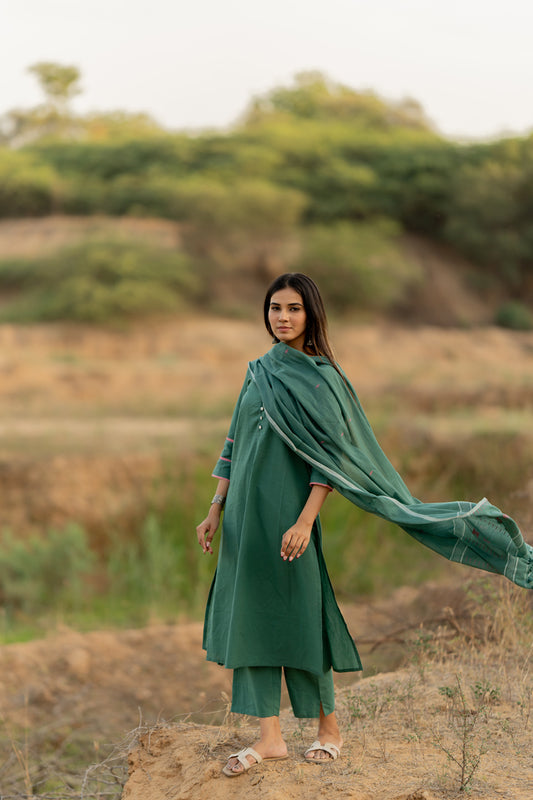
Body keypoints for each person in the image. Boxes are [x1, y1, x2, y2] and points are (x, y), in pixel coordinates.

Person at [196, 273, 532, 778]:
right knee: (251, 619)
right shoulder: (257, 371)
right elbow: (233, 442)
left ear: (311, 314)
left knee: (302, 616)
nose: (282, 317)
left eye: (292, 309)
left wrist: (305, 521)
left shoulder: (321, 378)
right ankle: (269, 739)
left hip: (291, 517)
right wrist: (216, 507)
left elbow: (328, 461)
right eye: (274, 308)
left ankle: (328, 729)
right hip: (245, 517)